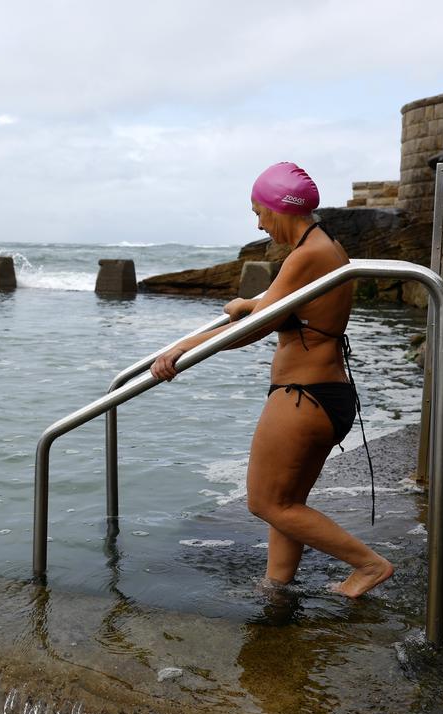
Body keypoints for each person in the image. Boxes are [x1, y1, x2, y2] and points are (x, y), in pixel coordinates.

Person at [149, 162, 393, 598]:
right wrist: (250, 303)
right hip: (327, 395)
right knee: (287, 505)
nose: (259, 223)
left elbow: (255, 330)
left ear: (283, 208)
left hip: (303, 398)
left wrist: (183, 348)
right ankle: (276, 586)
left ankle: (368, 566)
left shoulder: (306, 255)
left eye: (259, 212)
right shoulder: (326, 246)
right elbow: (278, 306)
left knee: (265, 503)